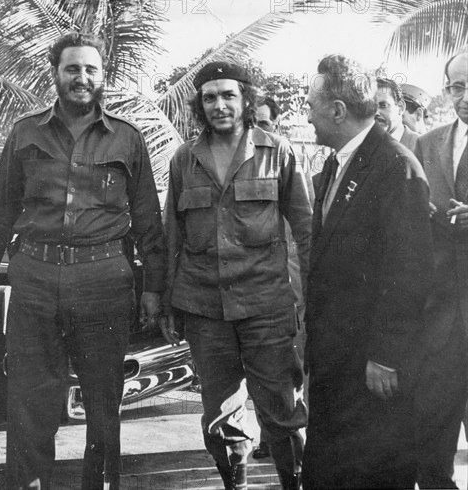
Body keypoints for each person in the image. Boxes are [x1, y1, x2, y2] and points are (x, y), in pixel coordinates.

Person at [0, 32, 166, 490]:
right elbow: (0, 212)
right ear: (55, 73)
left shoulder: (127, 138)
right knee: (29, 400)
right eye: (72, 68)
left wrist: (154, 289)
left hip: (104, 281)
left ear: (103, 77)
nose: (82, 78)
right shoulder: (25, 132)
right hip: (34, 281)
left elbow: (148, 221)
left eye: (91, 69)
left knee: (102, 403)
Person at [161, 62, 311, 490]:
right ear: (200, 104)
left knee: (281, 413)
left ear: (246, 99)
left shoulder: (279, 151)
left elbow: (306, 229)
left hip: (267, 306)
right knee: (219, 415)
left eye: (228, 95)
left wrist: (314, 297)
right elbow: (173, 235)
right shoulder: (183, 160)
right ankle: (237, 485)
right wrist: (168, 301)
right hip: (206, 308)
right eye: (210, 97)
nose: (219, 105)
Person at [302, 54, 433, 489]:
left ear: (337, 110)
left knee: (373, 472)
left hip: (370, 365)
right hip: (337, 359)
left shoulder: (396, 167)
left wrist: (386, 354)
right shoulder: (335, 165)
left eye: (311, 104)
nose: (306, 115)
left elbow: (408, 270)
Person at [412, 48, 468, 489]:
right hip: (439, 320)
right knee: (431, 446)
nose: (465, 96)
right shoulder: (427, 143)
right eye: (457, 86)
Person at [251, 96, 309, 468]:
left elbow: (305, 226)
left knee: (296, 369)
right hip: (263, 287)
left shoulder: (284, 161)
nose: (257, 131)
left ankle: (297, 448)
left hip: (295, 285)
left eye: (265, 125)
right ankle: (268, 437)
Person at [375, 77, 420, 152]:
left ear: (400, 108)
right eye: (371, 107)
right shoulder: (362, 146)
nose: (376, 113)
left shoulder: (421, 146)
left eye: (383, 105)